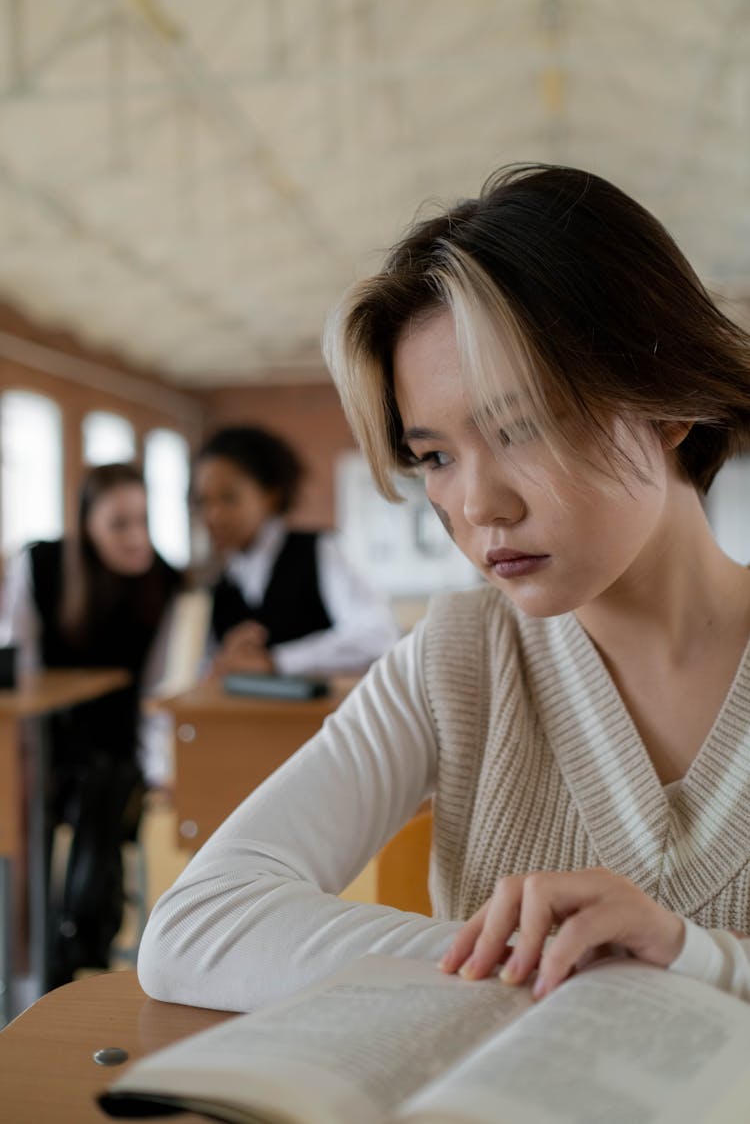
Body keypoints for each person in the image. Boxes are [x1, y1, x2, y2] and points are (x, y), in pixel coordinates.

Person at [138, 164, 750, 1015]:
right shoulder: (459, 657)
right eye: (435, 456)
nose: (476, 505)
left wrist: (695, 958)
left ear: (668, 402)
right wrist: (568, 963)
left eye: (522, 425)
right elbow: (195, 927)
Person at [3, 462, 182, 986]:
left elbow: (154, 690)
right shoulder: (41, 564)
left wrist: (161, 764)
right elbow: (23, 669)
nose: (137, 538)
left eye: (144, 521)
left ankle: (77, 943)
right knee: (23, 815)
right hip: (43, 744)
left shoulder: (163, 580)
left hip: (119, 748)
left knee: (106, 780)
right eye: (119, 523)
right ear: (86, 524)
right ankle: (37, 955)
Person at [191, 424, 401, 679]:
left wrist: (276, 661)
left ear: (270, 495)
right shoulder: (222, 583)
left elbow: (378, 636)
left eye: (228, 498)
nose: (213, 515)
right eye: (204, 502)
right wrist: (225, 661)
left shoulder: (319, 550)